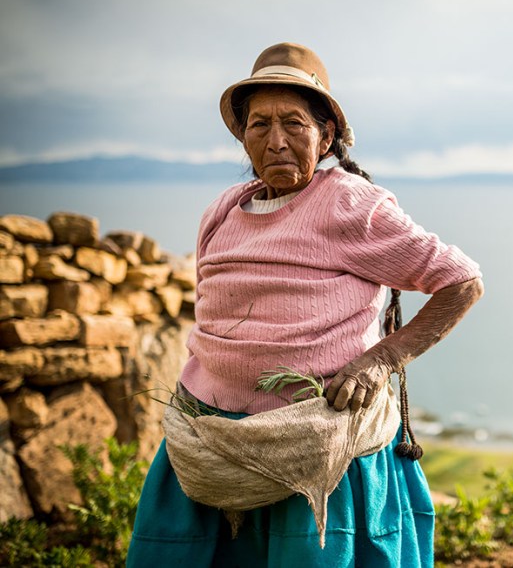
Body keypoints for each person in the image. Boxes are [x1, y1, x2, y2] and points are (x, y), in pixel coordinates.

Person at [127, 43, 483, 567]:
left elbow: (462, 281)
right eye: (259, 125)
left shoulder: (349, 202)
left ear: (327, 135)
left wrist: (380, 360)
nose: (275, 141)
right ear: (242, 136)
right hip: (210, 447)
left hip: (315, 456)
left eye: (294, 123)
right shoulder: (222, 211)